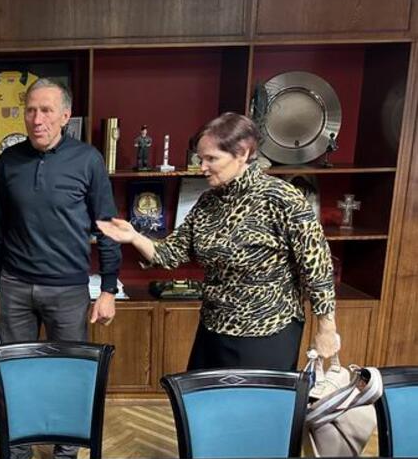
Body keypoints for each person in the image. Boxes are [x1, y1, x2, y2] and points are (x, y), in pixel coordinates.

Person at [98, 112, 339, 371]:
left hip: (268, 330)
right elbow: (170, 253)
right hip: (214, 328)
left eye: (211, 158)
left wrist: (326, 327)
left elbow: (318, 267)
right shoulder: (208, 201)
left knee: (252, 399)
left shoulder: (282, 199)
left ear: (242, 153)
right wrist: (133, 236)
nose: (202, 167)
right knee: (201, 396)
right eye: (200, 158)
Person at [0, 78, 122, 459]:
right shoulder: (9, 162)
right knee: (15, 376)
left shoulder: (88, 160)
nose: (37, 118)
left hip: (68, 291)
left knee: (69, 376)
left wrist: (108, 289)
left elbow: (107, 227)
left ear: (65, 115)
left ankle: (65, 457)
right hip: (14, 288)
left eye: (46, 110)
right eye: (30, 110)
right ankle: (18, 453)